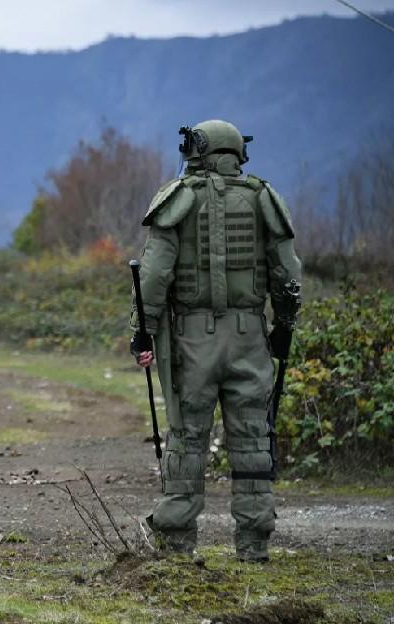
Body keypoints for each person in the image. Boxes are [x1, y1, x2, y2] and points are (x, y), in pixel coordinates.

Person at [131, 120, 302, 562]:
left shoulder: (177, 200)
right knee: (251, 439)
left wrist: (142, 331)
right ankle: (253, 545)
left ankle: (176, 542)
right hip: (249, 336)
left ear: (198, 151)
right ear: (236, 153)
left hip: (191, 340)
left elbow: (152, 276)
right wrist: (283, 326)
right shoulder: (264, 199)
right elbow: (288, 275)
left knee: (187, 438)